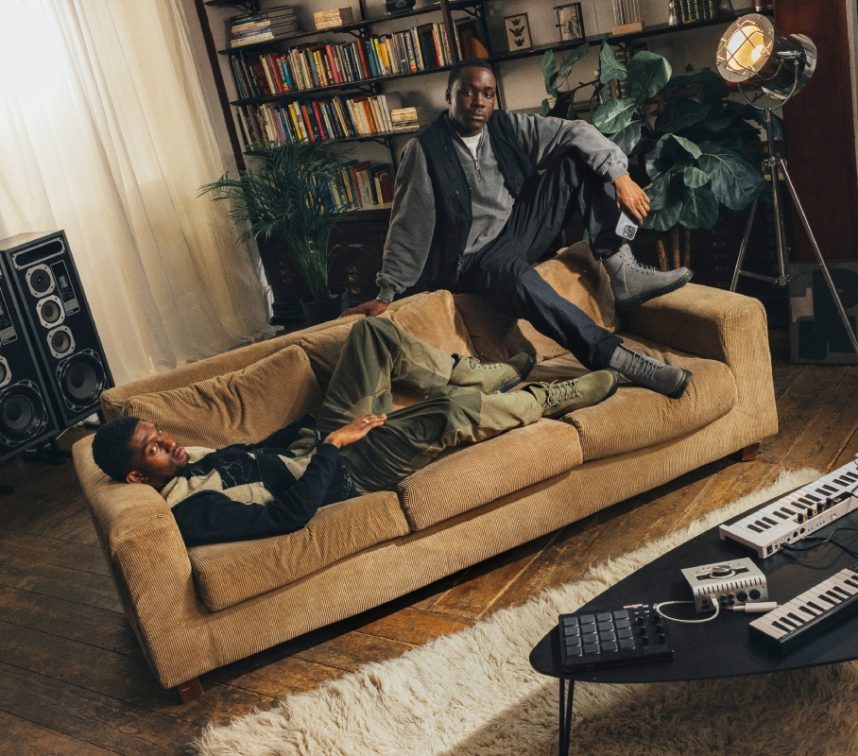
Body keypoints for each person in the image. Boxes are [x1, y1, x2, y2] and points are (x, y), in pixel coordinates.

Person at [91, 318, 619, 546]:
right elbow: (287, 515)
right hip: (347, 475)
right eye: (154, 448)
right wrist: (333, 446)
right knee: (450, 411)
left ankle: (472, 372)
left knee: (371, 333)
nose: (169, 443)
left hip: (323, 442)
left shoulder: (190, 460)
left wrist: (321, 428)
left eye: (160, 433)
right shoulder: (191, 511)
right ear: (137, 477)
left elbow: (260, 453)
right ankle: (547, 399)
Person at [343, 58, 693, 398]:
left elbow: (577, 131)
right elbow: (409, 225)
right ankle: (621, 359)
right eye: (467, 92)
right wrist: (387, 293)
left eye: (488, 94)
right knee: (523, 281)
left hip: (519, 231)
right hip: (475, 259)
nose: (479, 102)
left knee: (577, 157)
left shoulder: (506, 126)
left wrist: (620, 176)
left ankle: (621, 270)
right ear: (449, 96)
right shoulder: (423, 150)